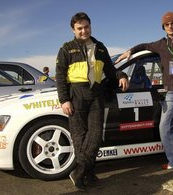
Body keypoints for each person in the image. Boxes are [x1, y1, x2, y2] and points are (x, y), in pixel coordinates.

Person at [115, 11, 173, 174]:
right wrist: (130, 51)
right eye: (167, 24)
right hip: (170, 93)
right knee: (164, 126)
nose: (170, 26)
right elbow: (145, 46)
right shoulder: (161, 44)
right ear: (163, 27)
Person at [56, 12, 129, 191]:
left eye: (86, 27)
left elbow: (111, 71)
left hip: (96, 94)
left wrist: (121, 75)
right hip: (76, 94)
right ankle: (87, 173)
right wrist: (64, 100)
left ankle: (78, 171)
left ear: (90, 26)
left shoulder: (100, 47)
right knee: (79, 137)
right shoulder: (66, 48)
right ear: (73, 30)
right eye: (79, 28)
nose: (84, 31)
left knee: (95, 136)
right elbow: (59, 76)